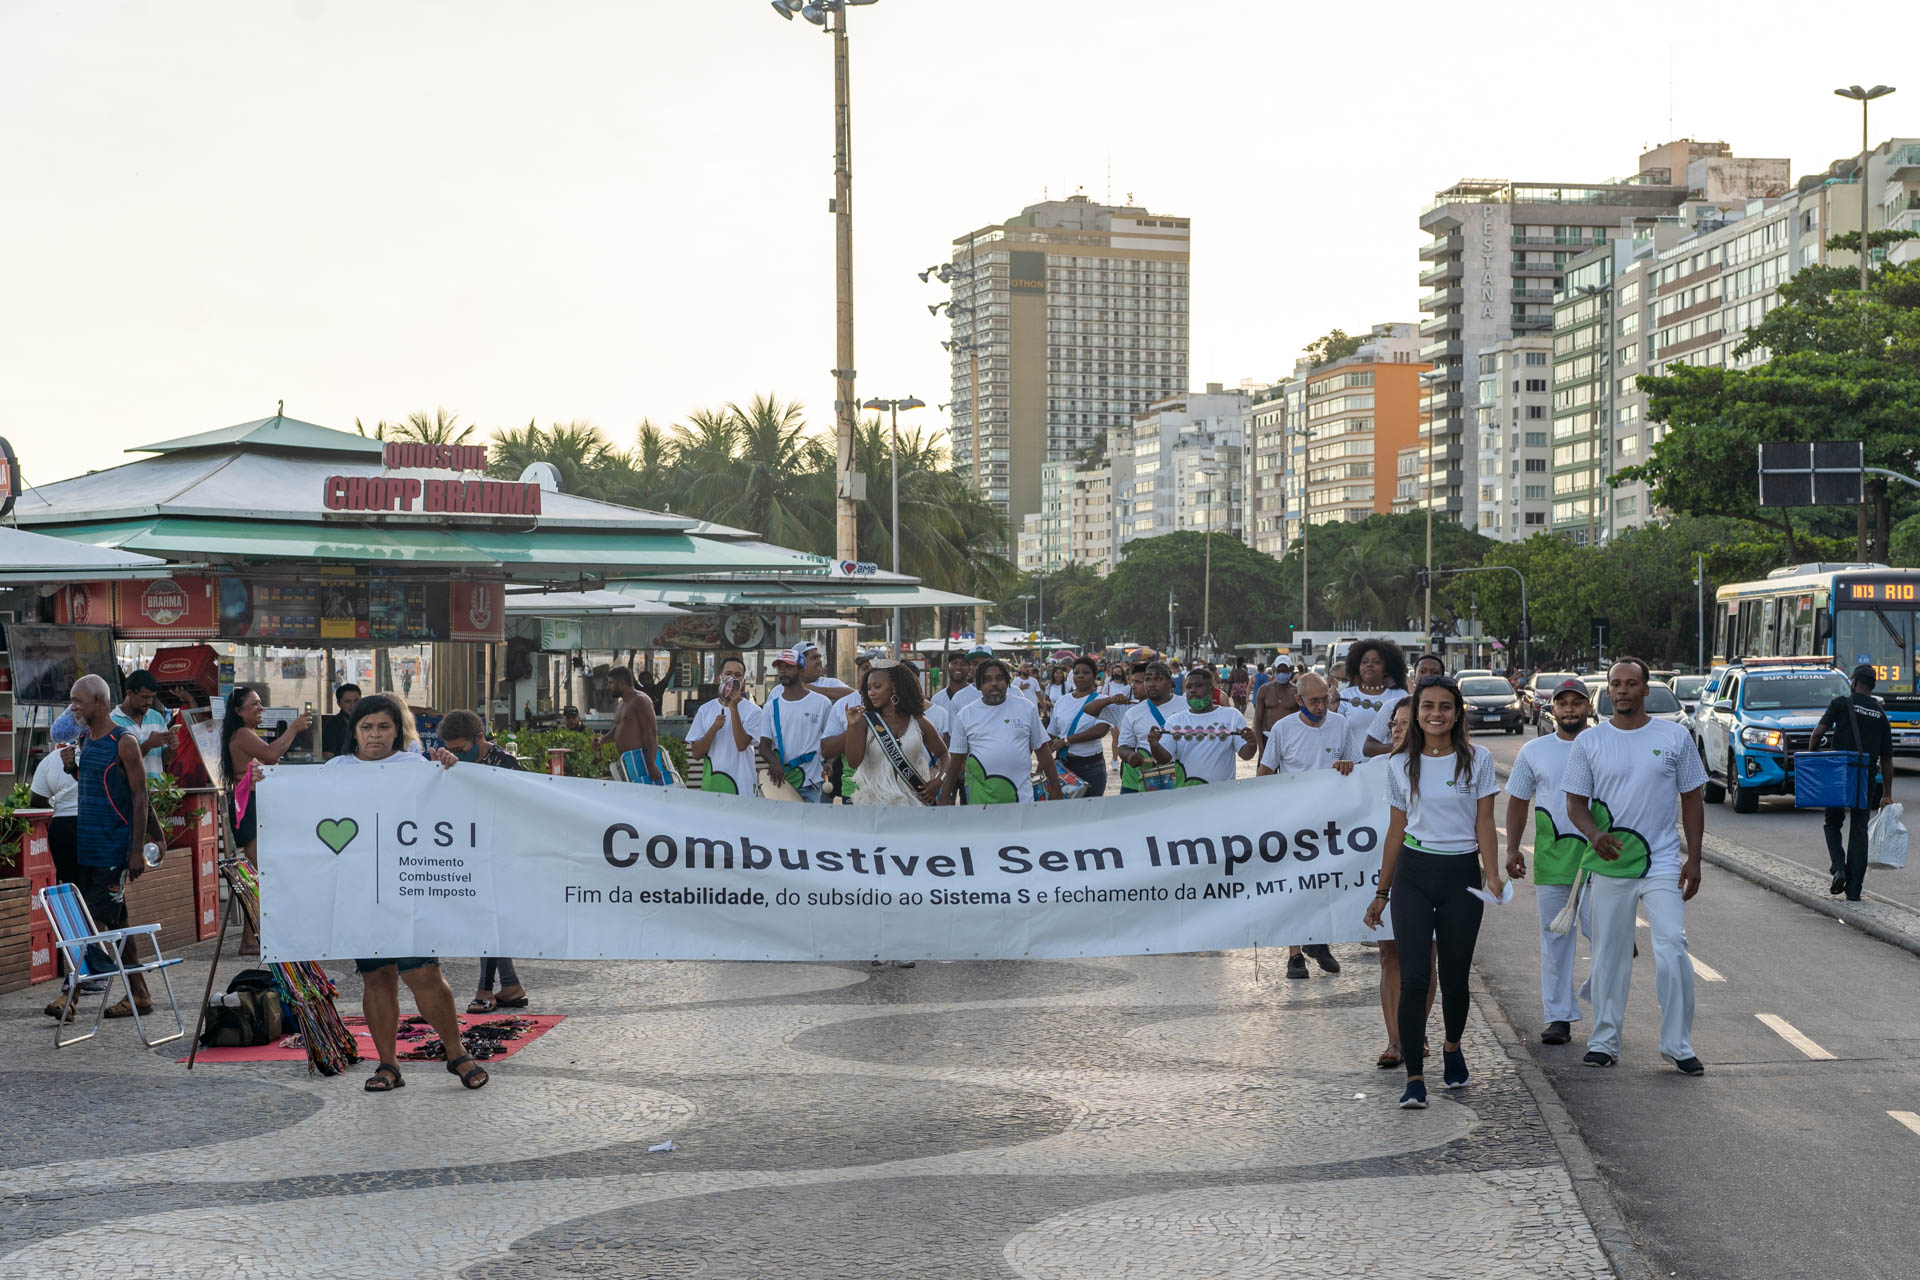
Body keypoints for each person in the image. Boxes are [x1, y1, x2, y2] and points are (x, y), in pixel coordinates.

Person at [325, 694, 483, 1092]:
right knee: (376, 978)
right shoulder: (334, 769)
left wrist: (449, 770)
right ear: (354, 731)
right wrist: (265, 782)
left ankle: (456, 1053)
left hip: (408, 887)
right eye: (366, 727)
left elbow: (451, 807)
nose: (374, 734)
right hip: (361, 890)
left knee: (423, 973)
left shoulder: (416, 766)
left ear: (397, 731)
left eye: (383, 726)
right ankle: (388, 1066)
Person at [1362, 674, 1502, 1110]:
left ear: (1457, 713)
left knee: (1456, 978)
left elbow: (1484, 824)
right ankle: (1414, 1078)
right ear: (1416, 713)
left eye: (1445, 706)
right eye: (1428, 707)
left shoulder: (1478, 760)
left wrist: (1493, 874)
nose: (1436, 714)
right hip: (1414, 875)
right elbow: (1395, 831)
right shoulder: (1399, 764)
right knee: (1414, 978)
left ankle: (1452, 1047)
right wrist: (1382, 892)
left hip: (1461, 874)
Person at [1563, 658, 1708, 1076]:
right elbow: (1575, 803)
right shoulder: (1589, 743)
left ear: (1646, 689)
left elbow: (1692, 799)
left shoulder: (1675, 736)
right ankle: (1605, 1040)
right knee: (1609, 954)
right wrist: (1593, 834)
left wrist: (1693, 859)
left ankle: (1678, 1045)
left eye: (1631, 683)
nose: (1623, 690)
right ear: (1607, 692)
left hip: (1661, 860)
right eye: (1616, 684)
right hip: (1609, 863)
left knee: (1672, 949)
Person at [1503, 678, 1595, 1047]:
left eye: (1577, 703)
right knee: (1555, 941)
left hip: (1601, 859)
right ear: (1551, 709)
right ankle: (1559, 1017)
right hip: (1553, 860)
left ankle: (1600, 1004)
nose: (1570, 709)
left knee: (1607, 940)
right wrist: (1512, 850)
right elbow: (1517, 800)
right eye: (1563, 703)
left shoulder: (1604, 743)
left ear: (1589, 707)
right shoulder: (1534, 750)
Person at [63, 675, 153, 1020]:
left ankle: (69, 996)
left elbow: (141, 798)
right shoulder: (85, 739)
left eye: (78, 701)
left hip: (113, 852)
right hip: (88, 848)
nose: (74, 707)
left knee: (94, 922)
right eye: (73, 700)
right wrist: (73, 768)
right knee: (120, 925)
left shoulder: (124, 741)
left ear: (98, 701)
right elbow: (96, 787)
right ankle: (140, 995)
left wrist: (136, 851)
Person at [1257, 671, 1354, 979]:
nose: (1320, 707)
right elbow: (1265, 773)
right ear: (1298, 700)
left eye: (1325, 700)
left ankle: (1320, 942)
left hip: (1330, 822)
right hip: (1293, 822)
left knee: (1325, 884)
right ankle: (1295, 955)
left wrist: (1347, 766)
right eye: (1313, 701)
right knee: (1294, 887)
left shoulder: (1341, 725)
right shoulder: (1282, 730)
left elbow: (1356, 768)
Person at [436, 709, 531, 1014]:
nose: (456, 755)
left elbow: (525, 807)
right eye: (450, 748)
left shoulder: (505, 764)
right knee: (487, 916)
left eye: (461, 749)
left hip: (501, 850)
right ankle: (511, 985)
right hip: (468, 848)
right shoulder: (450, 762)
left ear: (479, 738)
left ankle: (485, 990)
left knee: (488, 915)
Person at [1362, 700, 1433, 1068]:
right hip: (1384, 871)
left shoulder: (1441, 765)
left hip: (1428, 872)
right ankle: (1395, 1040)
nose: (1396, 729)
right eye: (1394, 723)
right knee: (1390, 955)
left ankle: (1416, 1032)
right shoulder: (1376, 767)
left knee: (1425, 958)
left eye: (1406, 723)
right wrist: (1341, 770)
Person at [1810, 663, 1895, 901]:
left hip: (1839, 772)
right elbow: (1887, 759)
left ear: (1854, 682)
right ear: (1872, 686)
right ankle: (1854, 889)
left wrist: (1814, 761)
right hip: (1865, 775)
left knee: (1832, 821)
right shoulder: (1880, 714)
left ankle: (1838, 868)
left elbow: (1817, 734)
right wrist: (1887, 793)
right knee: (1859, 829)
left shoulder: (1840, 704)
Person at [942, 658, 1062, 804]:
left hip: (1022, 801)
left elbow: (1043, 751)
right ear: (979, 684)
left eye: (999, 678)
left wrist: (1056, 789)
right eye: (987, 679)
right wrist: (946, 794)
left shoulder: (1026, 708)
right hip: (980, 801)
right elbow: (955, 759)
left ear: (1008, 682)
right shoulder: (965, 714)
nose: (994, 683)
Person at [220, 687, 314, 864]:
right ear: (238, 711)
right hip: (249, 801)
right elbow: (271, 753)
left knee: (265, 860)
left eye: (261, 703)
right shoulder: (242, 733)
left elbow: (271, 756)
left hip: (255, 801)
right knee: (259, 862)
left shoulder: (246, 733)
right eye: (254, 703)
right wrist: (293, 728)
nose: (261, 708)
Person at [843, 659, 947, 806]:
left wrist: (938, 781)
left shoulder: (917, 721)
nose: (871, 693)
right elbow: (853, 762)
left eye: (877, 687)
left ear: (894, 687)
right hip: (875, 806)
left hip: (913, 805)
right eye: (869, 688)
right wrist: (852, 726)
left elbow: (944, 754)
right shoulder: (865, 721)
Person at [1146, 666, 1257, 786]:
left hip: (1223, 795)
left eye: (1198, 685)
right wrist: (1155, 745)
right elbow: (1164, 759)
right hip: (1187, 794)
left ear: (1211, 690)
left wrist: (1251, 744)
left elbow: (1246, 755)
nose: (1192, 690)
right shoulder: (1175, 720)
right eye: (1189, 687)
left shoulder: (1232, 716)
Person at [757, 649, 834, 803]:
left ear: (801, 669)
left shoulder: (822, 703)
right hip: (781, 783)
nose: (782, 671)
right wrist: (774, 762)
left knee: (812, 826)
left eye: (788, 666)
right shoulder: (771, 706)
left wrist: (830, 763)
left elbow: (831, 741)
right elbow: (764, 746)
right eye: (780, 667)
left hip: (813, 783)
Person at [687, 655, 764, 796]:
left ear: (743, 682)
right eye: (728, 674)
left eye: (737, 675)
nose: (732, 679)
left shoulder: (754, 711)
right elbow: (697, 753)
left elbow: (741, 745)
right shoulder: (705, 710)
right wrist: (714, 728)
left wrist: (733, 708)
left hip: (742, 787)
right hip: (712, 786)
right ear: (719, 678)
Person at [1045, 656, 1120, 798]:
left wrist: (1066, 740)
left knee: (1090, 811)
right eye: (1077, 672)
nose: (1080, 676)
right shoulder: (1062, 701)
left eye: (1086, 673)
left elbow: (1100, 731)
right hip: (1062, 766)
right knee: (1063, 811)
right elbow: (1051, 734)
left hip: (1091, 767)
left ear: (1094, 676)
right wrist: (1042, 766)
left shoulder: (1101, 701)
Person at [1365, 652, 1443, 758]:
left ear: (1442, 678)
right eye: (1422, 671)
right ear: (1415, 677)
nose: (1427, 675)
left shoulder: (1446, 710)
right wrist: (1401, 747)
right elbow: (1368, 747)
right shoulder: (1392, 706)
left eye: (1434, 672)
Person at [1117, 661, 1176, 794]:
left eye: (1158, 679)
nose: (1151, 684)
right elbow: (1123, 747)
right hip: (1144, 782)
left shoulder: (1186, 707)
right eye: (1147, 679)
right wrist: (1130, 755)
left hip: (1180, 779)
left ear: (1170, 682)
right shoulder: (1132, 713)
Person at [606, 665, 668, 784]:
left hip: (642, 759)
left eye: (611, 683)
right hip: (627, 760)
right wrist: (602, 740)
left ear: (621, 683)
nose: (608, 687)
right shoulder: (621, 704)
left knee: (647, 797)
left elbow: (651, 732)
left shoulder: (641, 700)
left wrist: (652, 762)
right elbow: (618, 728)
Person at [110, 669, 173, 779]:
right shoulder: (113, 721)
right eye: (145, 697)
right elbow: (116, 763)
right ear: (129, 693)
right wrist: (148, 745)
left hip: (157, 792)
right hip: (128, 794)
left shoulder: (156, 717)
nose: (149, 702)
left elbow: (164, 760)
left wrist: (172, 747)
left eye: (152, 697)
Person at [1250, 661, 1300, 755]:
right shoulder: (1265, 690)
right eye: (1279, 671)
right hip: (1268, 738)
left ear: (1290, 671)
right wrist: (1261, 748)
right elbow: (1258, 721)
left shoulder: (1296, 692)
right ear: (1274, 671)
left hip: (1290, 740)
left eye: (1284, 671)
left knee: (1289, 769)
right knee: (1266, 769)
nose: (1282, 674)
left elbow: (1302, 720)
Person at [930, 652, 980, 718]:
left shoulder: (977, 696)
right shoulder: (937, 699)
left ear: (969, 669)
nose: (958, 667)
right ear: (948, 667)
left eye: (963, 664)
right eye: (954, 663)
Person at [321, 683, 362, 759]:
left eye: (356, 701)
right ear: (339, 703)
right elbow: (328, 756)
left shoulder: (368, 721)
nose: (353, 705)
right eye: (348, 702)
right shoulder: (332, 725)